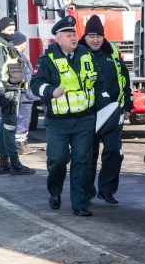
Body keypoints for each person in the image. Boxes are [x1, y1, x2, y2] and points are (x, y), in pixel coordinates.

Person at [30, 15, 111, 216]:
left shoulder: (86, 55)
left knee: (82, 162)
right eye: (68, 35)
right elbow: (35, 85)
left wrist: (109, 107)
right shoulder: (47, 59)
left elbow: (98, 83)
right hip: (58, 122)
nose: (74, 38)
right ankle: (55, 191)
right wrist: (50, 91)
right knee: (58, 160)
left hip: (84, 119)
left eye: (74, 34)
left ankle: (80, 204)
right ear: (58, 39)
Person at [78, 15, 132, 205]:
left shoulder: (113, 52)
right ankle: (87, 193)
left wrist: (128, 104)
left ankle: (107, 190)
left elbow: (124, 78)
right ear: (84, 37)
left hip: (112, 112)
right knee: (88, 156)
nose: (95, 40)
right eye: (91, 35)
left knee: (114, 152)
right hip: (88, 113)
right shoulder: (78, 53)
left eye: (98, 36)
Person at [0, 17, 35, 175]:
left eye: (13, 30)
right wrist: (1, 96)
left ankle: (4, 164)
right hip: (7, 93)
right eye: (9, 30)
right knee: (10, 128)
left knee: (4, 128)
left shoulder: (7, 45)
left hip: (13, 91)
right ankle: (15, 165)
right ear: (1, 30)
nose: (12, 33)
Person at [12, 31, 38, 155]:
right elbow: (18, 77)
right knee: (23, 119)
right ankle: (21, 146)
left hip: (26, 94)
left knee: (25, 119)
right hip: (23, 94)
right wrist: (24, 89)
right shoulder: (16, 57)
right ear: (21, 43)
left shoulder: (19, 55)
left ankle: (23, 144)